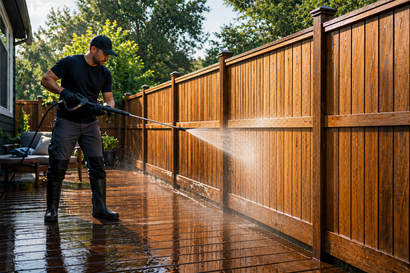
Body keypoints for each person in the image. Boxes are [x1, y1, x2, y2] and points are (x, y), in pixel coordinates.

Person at [41, 35, 119, 222]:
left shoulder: (104, 73)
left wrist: (107, 107)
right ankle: (52, 209)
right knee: (58, 165)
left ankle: (99, 208)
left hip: (90, 123)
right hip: (67, 120)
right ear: (93, 49)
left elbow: (109, 97)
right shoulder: (70, 62)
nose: (107, 58)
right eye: (105, 54)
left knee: (97, 165)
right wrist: (64, 92)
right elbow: (46, 79)